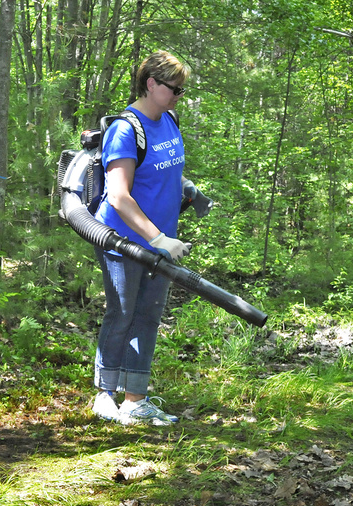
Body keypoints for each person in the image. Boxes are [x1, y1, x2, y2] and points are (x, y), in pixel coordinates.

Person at [90, 50, 210, 426]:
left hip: (161, 241)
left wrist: (188, 188)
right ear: (152, 84)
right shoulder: (126, 129)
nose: (179, 96)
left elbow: (166, 170)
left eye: (182, 91)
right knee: (122, 313)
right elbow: (119, 196)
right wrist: (158, 237)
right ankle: (104, 396)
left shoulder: (169, 120)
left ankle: (135, 401)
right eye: (174, 89)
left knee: (148, 317)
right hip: (124, 240)